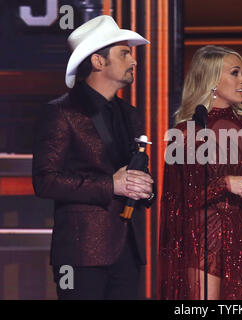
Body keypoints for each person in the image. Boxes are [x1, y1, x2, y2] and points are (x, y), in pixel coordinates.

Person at [32, 15, 154, 300]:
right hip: (80, 253)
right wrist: (111, 185)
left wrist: (146, 188)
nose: (133, 61)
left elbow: (136, 174)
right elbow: (45, 180)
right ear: (99, 62)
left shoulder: (130, 113)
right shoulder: (61, 112)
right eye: (124, 54)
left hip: (128, 250)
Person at [159, 45, 242, 299]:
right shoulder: (187, 133)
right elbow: (180, 199)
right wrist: (226, 183)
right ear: (212, 79)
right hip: (205, 237)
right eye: (235, 73)